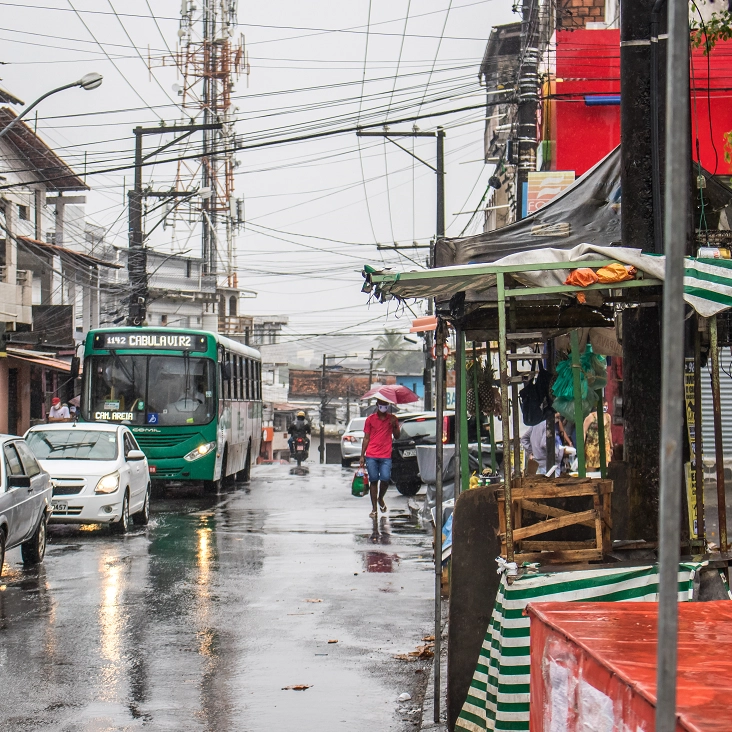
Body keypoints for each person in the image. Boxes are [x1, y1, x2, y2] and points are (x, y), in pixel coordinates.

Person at [359, 399, 400, 518]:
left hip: (386, 455)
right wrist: (362, 455)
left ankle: (380, 498)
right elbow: (366, 438)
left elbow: (397, 436)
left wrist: (394, 426)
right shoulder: (370, 419)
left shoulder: (393, 419)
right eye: (381, 405)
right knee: (373, 480)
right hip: (371, 455)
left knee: (385, 478)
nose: (383, 407)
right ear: (377, 405)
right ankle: (374, 509)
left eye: (386, 405)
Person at [583, 399, 613, 472]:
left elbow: (609, 431)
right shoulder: (590, 417)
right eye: (604, 406)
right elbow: (584, 431)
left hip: (605, 446)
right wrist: (582, 447)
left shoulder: (608, 417)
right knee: (591, 471)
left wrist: (611, 446)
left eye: (606, 406)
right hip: (592, 447)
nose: (605, 408)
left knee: (606, 470)